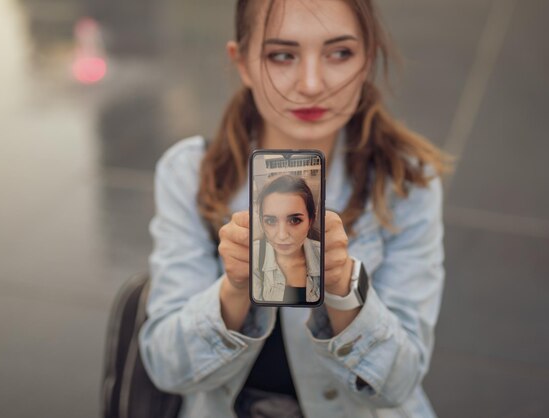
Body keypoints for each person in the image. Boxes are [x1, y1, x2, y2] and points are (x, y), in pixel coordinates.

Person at [139, 0, 449, 417]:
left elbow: (399, 383)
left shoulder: (406, 182)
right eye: (282, 55)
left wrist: (345, 293)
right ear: (243, 63)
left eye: (340, 53)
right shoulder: (189, 173)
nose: (311, 83)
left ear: (367, 60)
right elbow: (165, 366)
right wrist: (234, 290)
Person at [253, 174, 321, 303]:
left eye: (294, 220)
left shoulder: (325, 255)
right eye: (271, 220)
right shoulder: (252, 256)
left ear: (310, 221)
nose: (282, 235)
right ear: (262, 222)